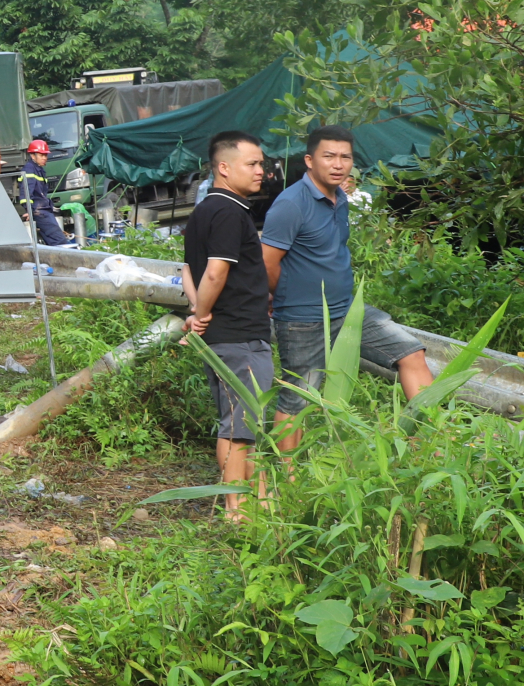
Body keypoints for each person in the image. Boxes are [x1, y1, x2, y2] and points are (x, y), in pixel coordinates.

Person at [263, 125, 433, 451]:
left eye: (345, 157)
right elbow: (267, 262)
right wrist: (284, 295)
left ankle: (426, 445)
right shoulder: (291, 204)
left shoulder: (340, 196)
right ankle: (287, 478)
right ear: (310, 160)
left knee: (411, 353)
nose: (338, 164)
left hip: (347, 311)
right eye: (329, 156)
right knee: (300, 394)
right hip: (303, 318)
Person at [179, 132, 274, 523]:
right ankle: (237, 512)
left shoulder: (203, 210)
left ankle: (255, 504)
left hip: (224, 335)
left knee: (237, 422)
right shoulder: (230, 212)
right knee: (240, 427)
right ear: (223, 167)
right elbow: (214, 272)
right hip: (239, 335)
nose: (261, 172)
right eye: (252, 164)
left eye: (261, 164)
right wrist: (201, 313)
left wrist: (196, 310)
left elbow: (188, 269)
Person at [18, 139, 74, 247]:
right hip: (40, 211)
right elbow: (26, 193)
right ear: (33, 156)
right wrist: (30, 210)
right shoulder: (30, 170)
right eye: (41, 155)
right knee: (59, 241)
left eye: (45, 155)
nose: (44, 158)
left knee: (53, 241)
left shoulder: (38, 169)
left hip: (43, 210)